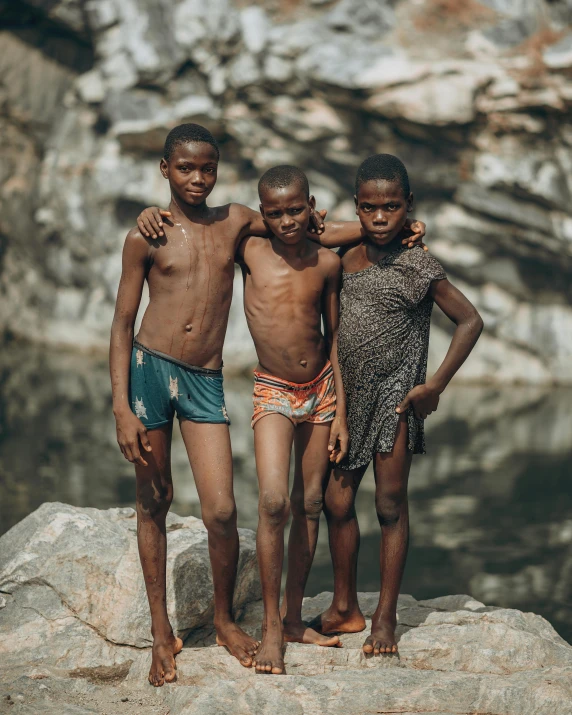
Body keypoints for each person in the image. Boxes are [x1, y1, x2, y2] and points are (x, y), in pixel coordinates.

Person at [111, 123, 427, 686]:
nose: (197, 178)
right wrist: (121, 406)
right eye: (185, 168)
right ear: (165, 170)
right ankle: (162, 632)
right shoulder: (154, 233)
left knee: (229, 511)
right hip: (156, 369)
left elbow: (307, 229)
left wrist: (391, 231)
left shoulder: (236, 221)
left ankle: (232, 620)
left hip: (214, 378)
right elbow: (121, 321)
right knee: (156, 497)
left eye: (206, 168)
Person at [310, 154, 483, 657]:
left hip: (395, 398)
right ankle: (345, 607)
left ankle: (385, 618)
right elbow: (307, 233)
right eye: (369, 208)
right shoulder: (346, 254)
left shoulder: (419, 263)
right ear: (357, 208)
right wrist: (356, 227)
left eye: (391, 207)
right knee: (337, 503)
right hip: (347, 396)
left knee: (389, 505)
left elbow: (470, 321)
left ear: (409, 206)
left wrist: (435, 386)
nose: (381, 218)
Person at [237, 165, 349, 675]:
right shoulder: (250, 250)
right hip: (274, 390)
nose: (286, 221)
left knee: (309, 503)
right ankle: (270, 630)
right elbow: (206, 222)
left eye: (295, 210)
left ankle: (295, 615)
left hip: (322, 390)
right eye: (275, 213)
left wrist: (341, 411)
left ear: (312, 207)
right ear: (263, 214)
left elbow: (336, 339)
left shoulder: (328, 263)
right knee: (273, 501)